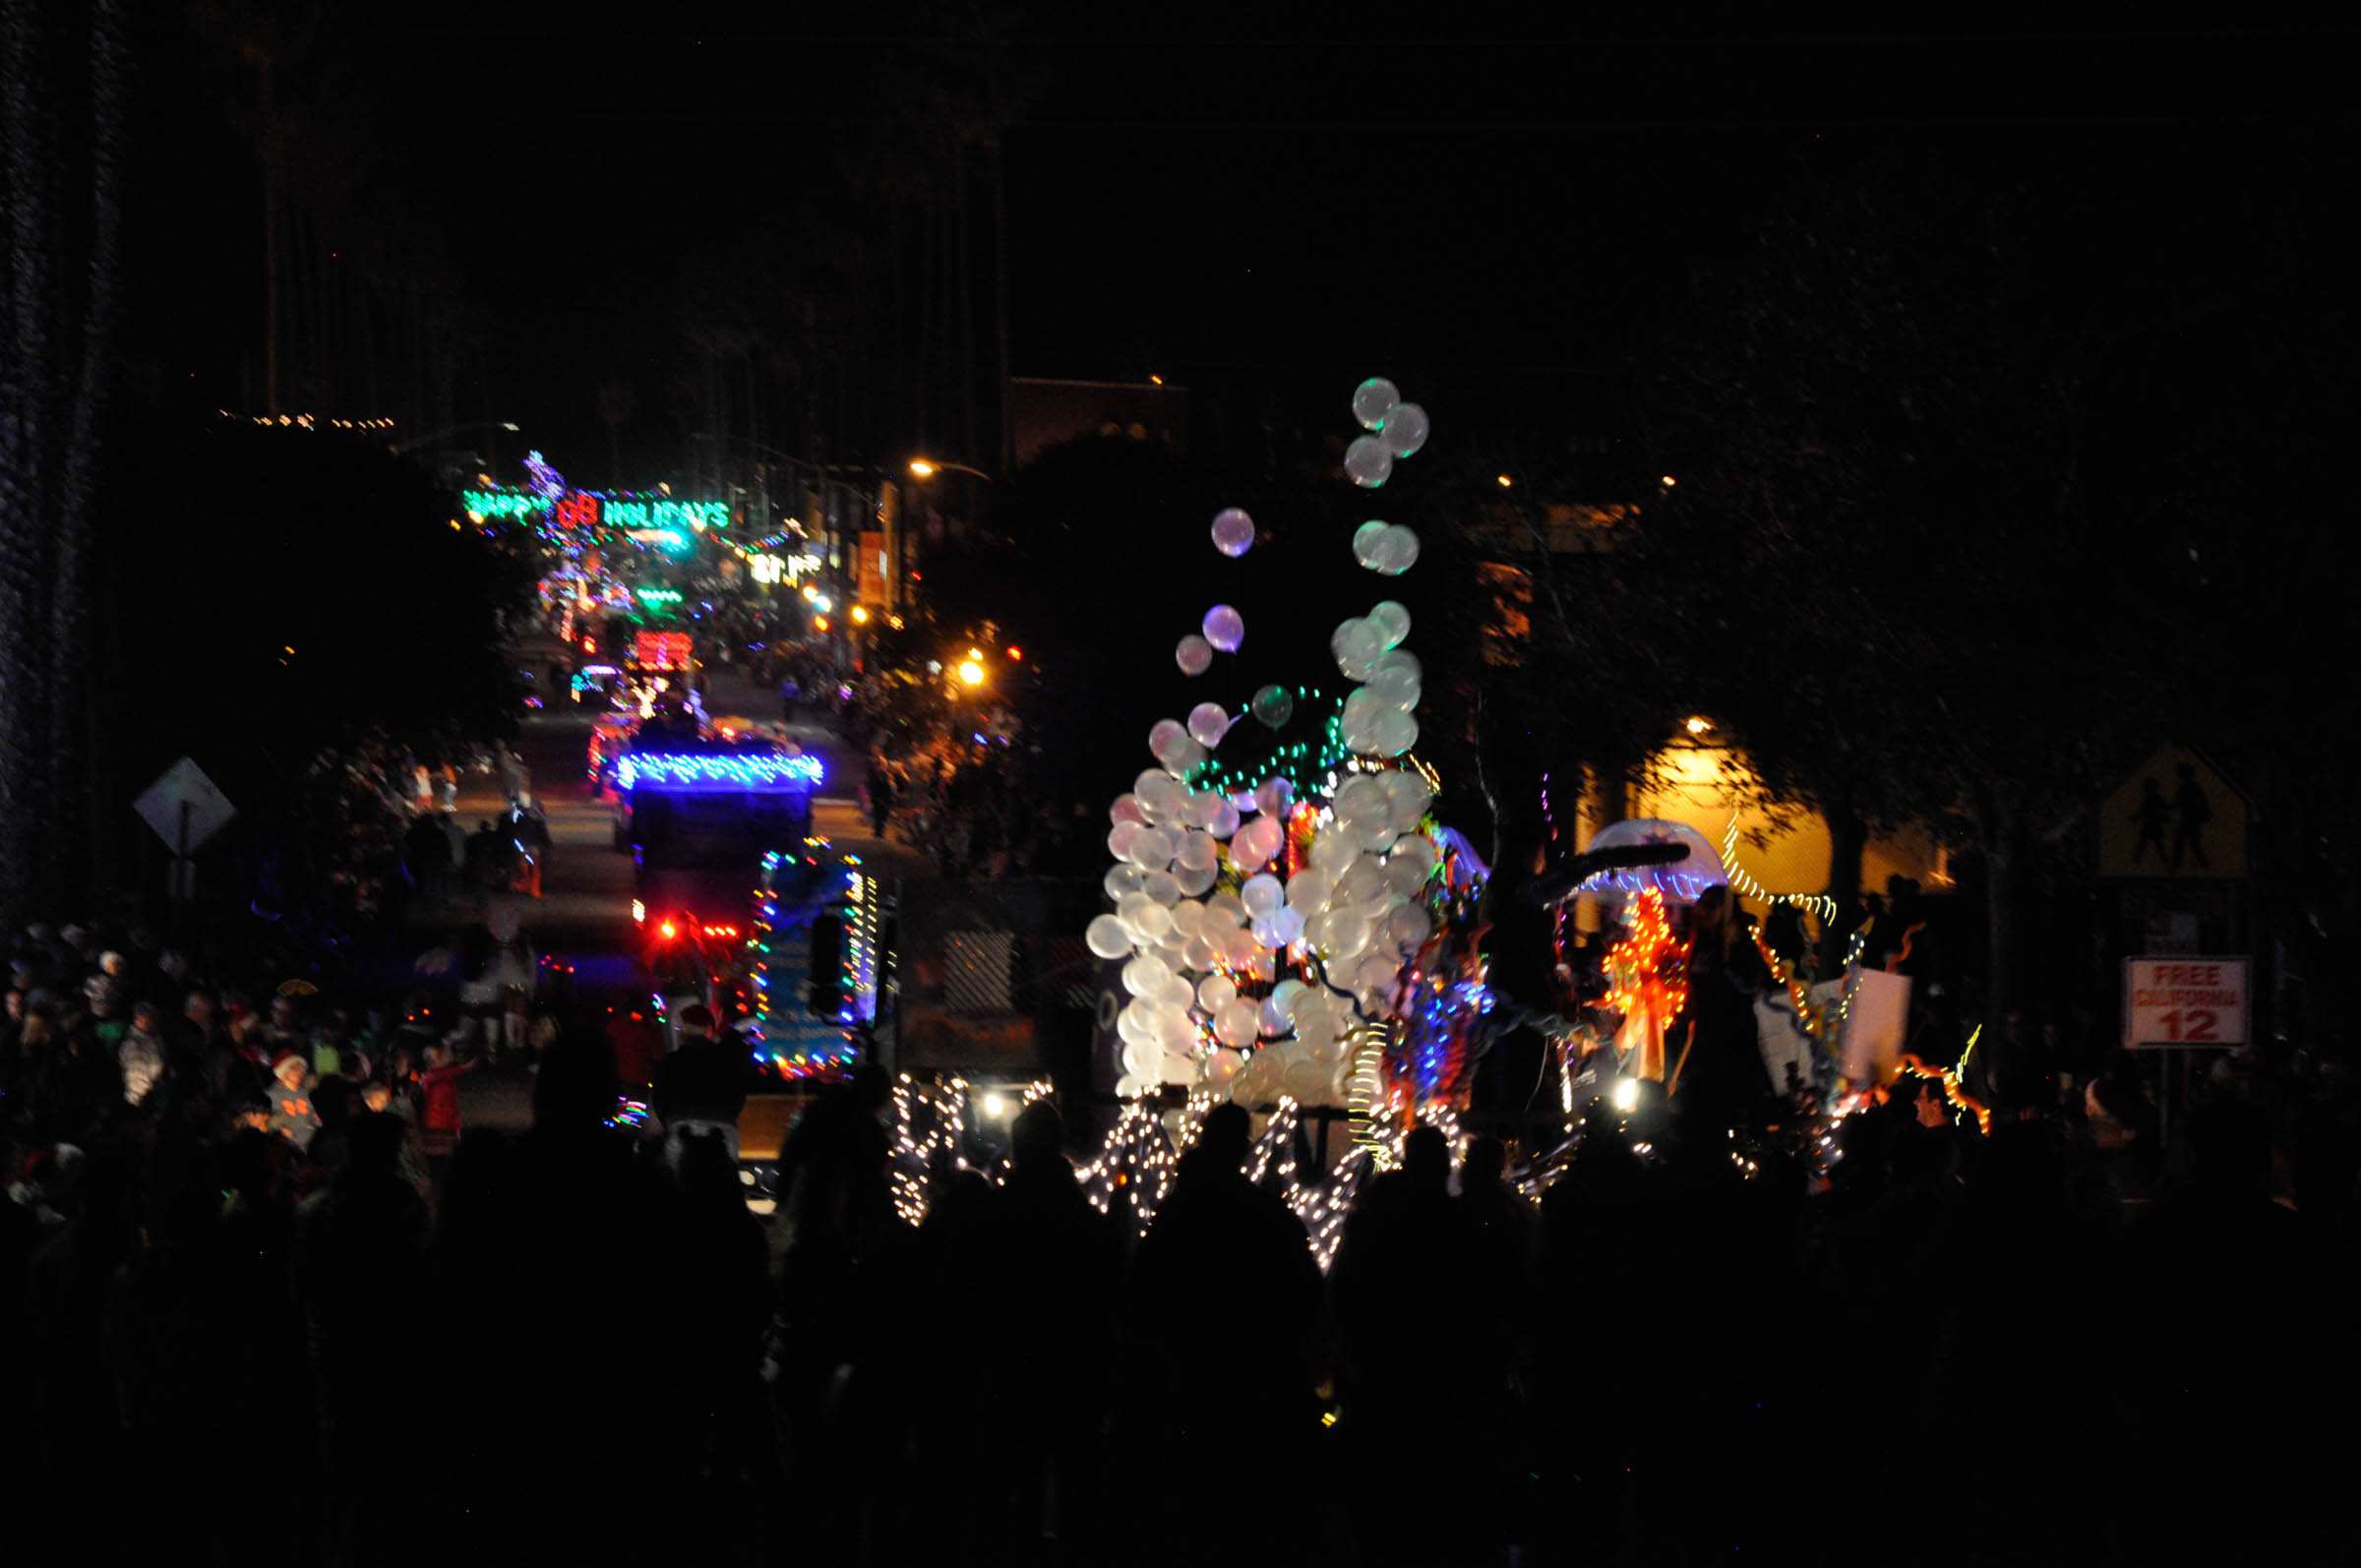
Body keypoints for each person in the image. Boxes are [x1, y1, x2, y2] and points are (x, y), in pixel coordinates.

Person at [651, 1003, 754, 1163]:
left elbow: (659, 1098)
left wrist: (669, 1120)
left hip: (681, 1125)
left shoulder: (671, 1062)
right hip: (722, 1127)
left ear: (683, 1033)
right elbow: (739, 1093)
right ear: (709, 1029)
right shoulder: (727, 1061)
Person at [267, 1049, 322, 1151]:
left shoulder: (305, 1094)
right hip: (287, 1149)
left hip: (308, 1146)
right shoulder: (273, 1094)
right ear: (284, 1070)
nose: (298, 1072)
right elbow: (267, 1121)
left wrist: (316, 1123)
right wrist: (280, 1130)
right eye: (294, 1068)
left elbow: (314, 1117)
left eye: (301, 1069)